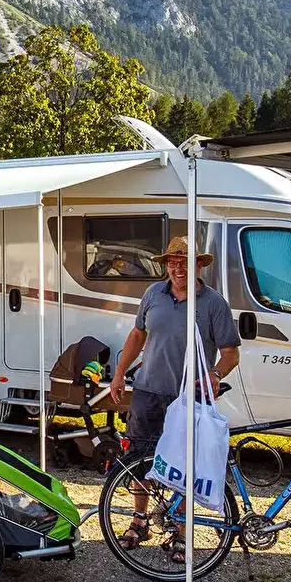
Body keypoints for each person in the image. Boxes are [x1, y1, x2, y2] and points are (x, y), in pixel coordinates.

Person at [109, 236, 241, 562]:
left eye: (185, 262)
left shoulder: (213, 303)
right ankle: (139, 521)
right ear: (165, 264)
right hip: (147, 391)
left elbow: (230, 353)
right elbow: (137, 334)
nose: (178, 268)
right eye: (172, 262)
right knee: (140, 458)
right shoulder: (153, 293)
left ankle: (181, 531)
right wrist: (119, 373)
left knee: (185, 465)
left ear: (198, 265)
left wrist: (215, 374)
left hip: (188, 397)